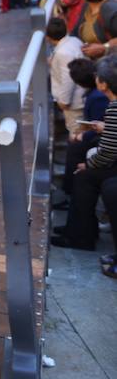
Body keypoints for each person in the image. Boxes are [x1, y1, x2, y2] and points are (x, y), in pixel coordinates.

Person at [52, 55, 117, 254]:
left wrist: (89, 165)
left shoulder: (113, 107)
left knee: (84, 176)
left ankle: (81, 237)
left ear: (104, 84)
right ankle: (79, 232)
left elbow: (108, 152)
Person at [45, 17, 85, 131]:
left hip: (74, 103)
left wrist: (64, 101)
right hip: (81, 96)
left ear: (48, 37)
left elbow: (68, 79)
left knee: (75, 132)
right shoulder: (74, 41)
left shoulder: (63, 53)